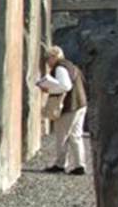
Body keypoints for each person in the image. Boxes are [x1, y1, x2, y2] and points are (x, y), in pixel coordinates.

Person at [36, 45, 88, 175]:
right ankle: (79, 165)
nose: (47, 62)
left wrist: (48, 88)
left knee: (62, 135)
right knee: (76, 136)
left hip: (70, 106)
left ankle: (60, 164)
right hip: (81, 104)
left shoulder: (60, 67)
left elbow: (65, 86)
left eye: (48, 58)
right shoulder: (72, 66)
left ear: (54, 56)